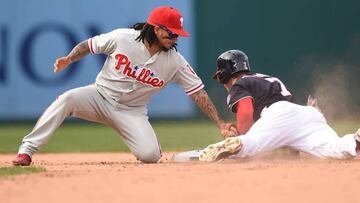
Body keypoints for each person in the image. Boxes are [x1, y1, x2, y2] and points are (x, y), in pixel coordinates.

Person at [12, 6, 236, 166]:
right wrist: (69, 58)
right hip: (98, 97)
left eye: (178, 34)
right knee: (67, 99)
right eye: (172, 32)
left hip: (132, 112)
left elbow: (198, 93)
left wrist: (220, 123)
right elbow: (88, 45)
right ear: (156, 28)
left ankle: (147, 146)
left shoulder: (175, 62)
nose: (176, 38)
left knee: (149, 155)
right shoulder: (123, 38)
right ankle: (26, 151)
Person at [198, 49, 360, 162]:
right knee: (335, 148)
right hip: (308, 114)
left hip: (278, 114)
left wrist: (241, 135)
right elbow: (287, 128)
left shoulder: (239, 84)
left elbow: (246, 111)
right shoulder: (265, 78)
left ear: (223, 74)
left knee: (245, 148)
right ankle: (356, 140)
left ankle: (237, 144)